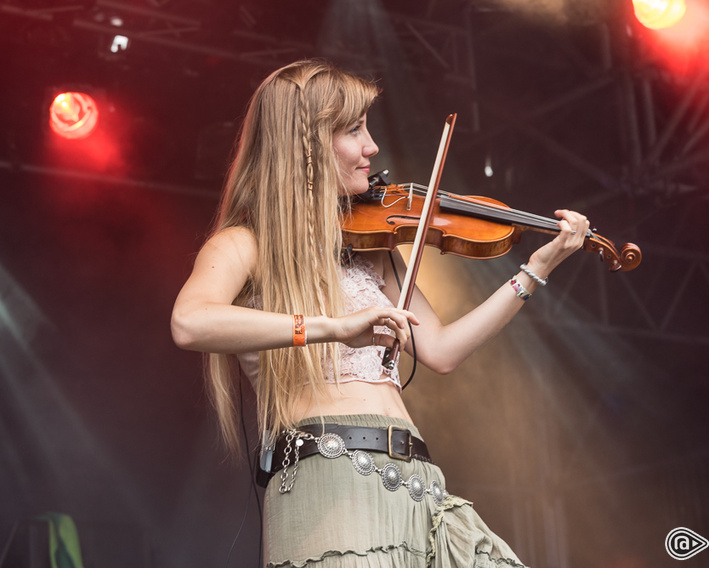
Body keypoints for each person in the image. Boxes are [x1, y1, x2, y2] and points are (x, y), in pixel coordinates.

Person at [171, 59, 589, 568]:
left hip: (418, 481)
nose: (371, 147)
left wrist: (536, 269)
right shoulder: (244, 244)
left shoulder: (372, 246)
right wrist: (334, 328)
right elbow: (190, 323)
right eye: (353, 130)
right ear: (305, 143)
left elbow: (440, 351)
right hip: (331, 479)